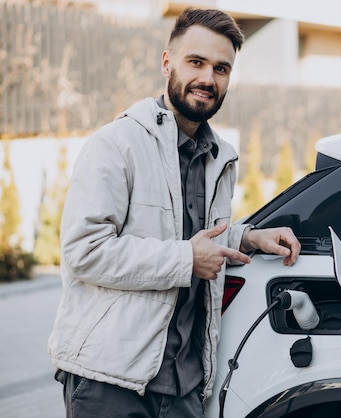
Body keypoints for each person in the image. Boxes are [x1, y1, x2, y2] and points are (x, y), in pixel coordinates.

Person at [48, 8, 300, 418]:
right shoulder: (117, 144)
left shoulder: (217, 158)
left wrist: (249, 238)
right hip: (110, 381)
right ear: (167, 62)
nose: (208, 78)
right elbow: (85, 252)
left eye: (221, 68)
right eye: (196, 62)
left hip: (186, 384)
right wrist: (186, 259)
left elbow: (187, 232)